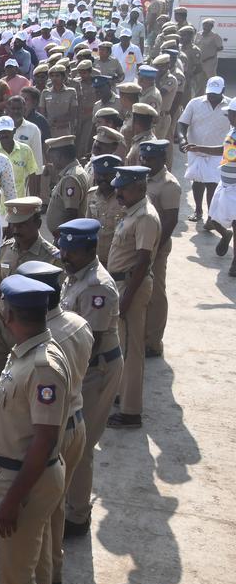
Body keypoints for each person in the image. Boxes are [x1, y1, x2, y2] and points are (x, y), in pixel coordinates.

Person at [0, 276, 70, 584]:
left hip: (28, 481)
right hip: (23, 471)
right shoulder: (29, 351)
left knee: (15, 580)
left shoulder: (42, 366)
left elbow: (44, 441)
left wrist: (13, 500)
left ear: (8, 315)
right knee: (37, 565)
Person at [13, 261, 92, 584]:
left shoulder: (38, 338)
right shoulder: (79, 324)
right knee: (55, 504)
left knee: (35, 516)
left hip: (48, 432)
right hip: (76, 421)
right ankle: (55, 570)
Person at [55, 218, 123, 539]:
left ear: (90, 250)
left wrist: (68, 379)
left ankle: (77, 516)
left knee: (81, 443)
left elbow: (89, 344)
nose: (63, 255)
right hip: (83, 366)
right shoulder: (76, 274)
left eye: (71, 251)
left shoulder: (96, 285)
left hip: (96, 370)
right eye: (63, 249)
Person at [0, 197, 59, 418]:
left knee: (23, 391)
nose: (15, 229)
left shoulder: (51, 258)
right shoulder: (6, 250)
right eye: (13, 224)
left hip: (32, 334)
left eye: (22, 224)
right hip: (3, 330)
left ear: (37, 223)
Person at [106, 166, 161, 430]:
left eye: (124, 188)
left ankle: (130, 412)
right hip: (122, 283)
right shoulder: (133, 211)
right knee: (123, 346)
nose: (119, 192)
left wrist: (126, 298)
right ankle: (122, 396)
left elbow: (142, 261)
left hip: (131, 286)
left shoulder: (146, 217)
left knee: (131, 349)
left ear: (140, 187)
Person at [139, 139, 181, 358]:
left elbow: (171, 220)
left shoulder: (169, 184)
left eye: (151, 158)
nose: (146, 162)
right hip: (141, 245)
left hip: (157, 246)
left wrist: (155, 248)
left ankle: (154, 341)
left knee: (155, 293)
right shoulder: (143, 178)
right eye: (143, 158)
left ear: (163, 159)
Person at [179, 76, 230, 223]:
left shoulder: (230, 106)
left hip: (217, 152)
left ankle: (211, 215)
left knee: (212, 183)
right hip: (195, 150)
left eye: (215, 93)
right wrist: (182, 139)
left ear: (223, 91)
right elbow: (182, 123)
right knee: (198, 181)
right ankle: (198, 210)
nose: (211, 96)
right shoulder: (195, 103)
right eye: (209, 93)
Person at [43, 135, 90, 234]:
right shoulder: (77, 171)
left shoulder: (70, 178)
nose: (52, 162)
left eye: (53, 158)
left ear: (60, 156)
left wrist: (63, 237)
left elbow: (71, 213)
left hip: (67, 238)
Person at [0, 116, 39, 200]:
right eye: (0, 132)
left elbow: (32, 176)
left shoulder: (25, 150)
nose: (3, 135)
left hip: (19, 204)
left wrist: (33, 203)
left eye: (7, 131)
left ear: (14, 131)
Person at [39, 65, 78, 138]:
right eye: (52, 76)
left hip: (65, 129)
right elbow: (42, 113)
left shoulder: (71, 92)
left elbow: (73, 112)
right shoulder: (45, 93)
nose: (54, 78)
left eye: (57, 76)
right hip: (49, 129)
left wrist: (61, 121)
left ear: (63, 77)